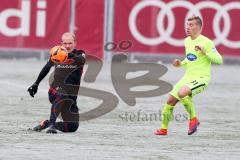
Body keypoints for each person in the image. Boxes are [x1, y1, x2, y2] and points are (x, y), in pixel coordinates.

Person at [154, 16, 223, 135]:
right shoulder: (187, 41)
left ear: (199, 27)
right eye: (187, 24)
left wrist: (205, 52)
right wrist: (180, 63)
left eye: (191, 25)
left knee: (182, 92)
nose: (187, 27)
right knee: (170, 100)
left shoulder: (206, 42)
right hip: (188, 77)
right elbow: (190, 59)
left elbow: (219, 60)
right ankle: (164, 129)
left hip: (201, 78)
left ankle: (193, 119)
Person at [28, 32, 85, 134]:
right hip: (55, 91)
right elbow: (47, 67)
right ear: (61, 43)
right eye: (65, 43)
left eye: (70, 43)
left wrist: (67, 54)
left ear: (75, 43)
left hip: (71, 97)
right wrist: (36, 83)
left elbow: (81, 60)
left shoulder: (80, 54)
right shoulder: (56, 54)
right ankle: (52, 125)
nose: (67, 46)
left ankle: (46, 123)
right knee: (61, 93)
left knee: (72, 126)